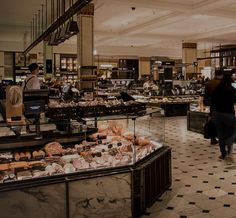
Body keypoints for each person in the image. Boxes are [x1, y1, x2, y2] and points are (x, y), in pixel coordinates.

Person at [211, 73, 236, 159]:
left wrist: (211, 114)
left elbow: (212, 102)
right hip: (229, 114)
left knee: (220, 134)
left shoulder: (217, 89)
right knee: (230, 133)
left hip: (217, 114)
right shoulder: (232, 89)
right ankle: (229, 148)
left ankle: (223, 153)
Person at [204, 70, 223, 145]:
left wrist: (209, 104)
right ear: (222, 75)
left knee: (213, 121)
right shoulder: (223, 83)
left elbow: (206, 97)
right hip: (223, 106)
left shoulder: (208, 83)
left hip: (213, 106)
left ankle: (213, 138)